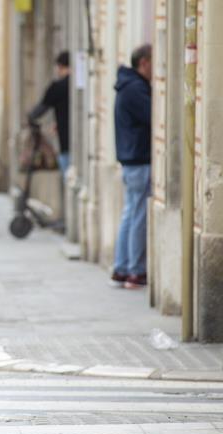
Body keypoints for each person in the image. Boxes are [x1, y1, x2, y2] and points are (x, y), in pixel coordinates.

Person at [110, 44, 153, 289]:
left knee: (130, 213)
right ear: (144, 63)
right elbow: (153, 116)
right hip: (138, 160)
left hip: (130, 160)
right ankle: (135, 271)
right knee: (137, 216)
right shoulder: (136, 89)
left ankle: (122, 267)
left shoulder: (127, 86)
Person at [29, 51, 70, 177]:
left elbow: (39, 110)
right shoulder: (80, 85)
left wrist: (31, 118)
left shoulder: (57, 87)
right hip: (82, 143)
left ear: (62, 67)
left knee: (67, 176)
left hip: (65, 142)